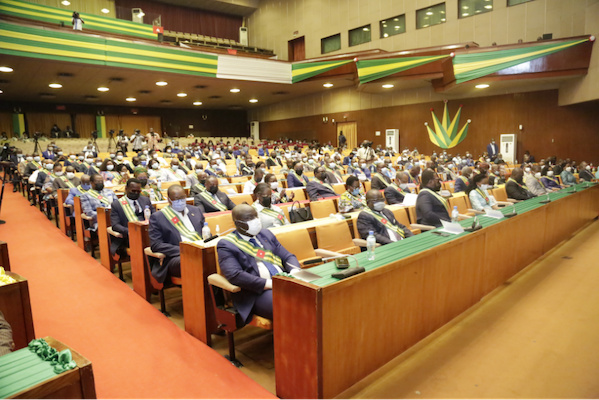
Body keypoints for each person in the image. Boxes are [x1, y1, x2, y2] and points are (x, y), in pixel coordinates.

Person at [217, 204, 300, 323]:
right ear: (237, 223)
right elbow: (235, 275)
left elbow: (288, 256)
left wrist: (294, 271)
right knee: (289, 304)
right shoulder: (227, 244)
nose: (255, 221)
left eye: (255, 217)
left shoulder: (265, 234)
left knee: (311, 296)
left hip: (283, 281)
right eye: (248, 219)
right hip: (256, 292)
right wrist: (270, 283)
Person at [149, 185, 205, 283]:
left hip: (200, 250)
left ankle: (214, 295)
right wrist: (185, 250)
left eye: (182, 198)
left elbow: (205, 233)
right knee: (194, 262)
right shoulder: (158, 217)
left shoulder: (196, 211)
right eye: (176, 199)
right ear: (169, 200)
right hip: (176, 256)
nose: (180, 201)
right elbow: (156, 245)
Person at [110, 178, 154, 258]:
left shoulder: (145, 200)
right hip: (130, 236)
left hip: (148, 232)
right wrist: (130, 231)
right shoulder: (117, 205)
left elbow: (154, 216)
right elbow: (115, 225)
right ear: (126, 189)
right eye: (133, 191)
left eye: (138, 191)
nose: (136, 193)